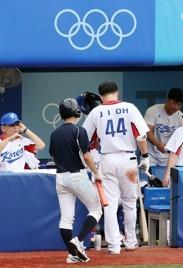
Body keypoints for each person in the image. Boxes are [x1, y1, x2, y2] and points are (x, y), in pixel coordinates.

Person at [82, 82, 150, 255]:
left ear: (101, 95)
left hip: (107, 159)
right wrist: (146, 156)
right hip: (129, 159)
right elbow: (141, 135)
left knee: (110, 204)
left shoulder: (96, 112)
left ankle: (113, 246)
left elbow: (84, 139)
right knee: (129, 201)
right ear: (116, 92)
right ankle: (131, 241)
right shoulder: (129, 107)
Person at [49, 98, 103, 264]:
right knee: (96, 209)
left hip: (60, 177)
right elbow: (86, 156)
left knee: (66, 218)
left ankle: (72, 254)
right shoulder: (79, 130)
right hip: (77, 175)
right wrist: (96, 172)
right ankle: (78, 240)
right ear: (77, 112)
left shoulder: (55, 133)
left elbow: (53, 154)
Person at [143, 88, 183, 167]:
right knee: (150, 179)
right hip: (151, 157)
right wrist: (158, 144)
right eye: (174, 103)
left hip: (170, 159)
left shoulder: (181, 117)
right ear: (167, 100)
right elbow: (147, 132)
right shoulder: (153, 110)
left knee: (168, 179)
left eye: (179, 105)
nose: (176, 107)